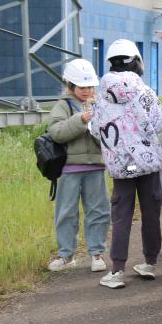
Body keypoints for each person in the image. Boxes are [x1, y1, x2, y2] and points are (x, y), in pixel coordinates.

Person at [91, 39, 162, 289]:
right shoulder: (146, 92)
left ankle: (117, 271)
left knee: (121, 216)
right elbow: (158, 124)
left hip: (121, 166)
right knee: (150, 213)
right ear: (136, 62)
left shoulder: (102, 96)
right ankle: (150, 263)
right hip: (147, 164)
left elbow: (94, 128)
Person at [46, 59, 110, 273]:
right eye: (82, 87)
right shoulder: (62, 106)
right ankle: (66, 255)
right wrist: (81, 120)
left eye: (90, 86)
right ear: (71, 86)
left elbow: (112, 135)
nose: (87, 91)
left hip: (95, 167)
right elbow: (56, 132)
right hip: (70, 168)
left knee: (99, 211)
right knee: (66, 212)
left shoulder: (101, 104)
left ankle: (97, 253)